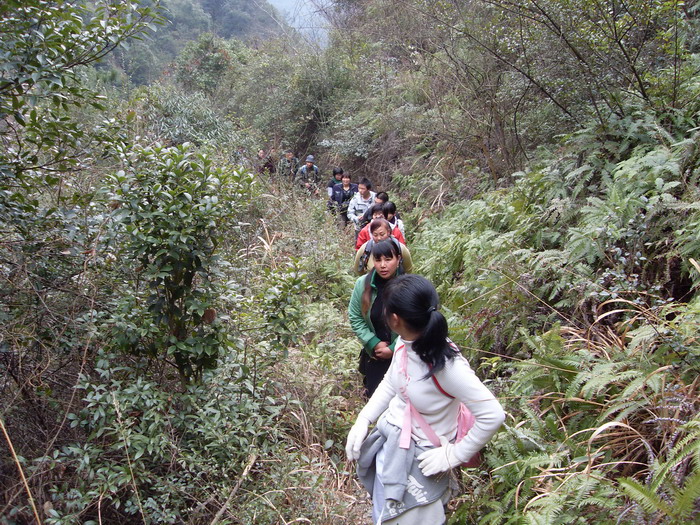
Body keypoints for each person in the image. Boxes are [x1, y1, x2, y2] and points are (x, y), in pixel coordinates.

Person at [345, 274, 506, 525]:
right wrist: (364, 419)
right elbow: (391, 381)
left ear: (395, 319)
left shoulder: (447, 366)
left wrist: (453, 455)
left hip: (422, 464)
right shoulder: (405, 344)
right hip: (392, 449)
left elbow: (493, 415)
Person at [348, 239, 404, 398]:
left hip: (403, 356)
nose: (383, 265)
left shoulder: (407, 285)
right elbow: (355, 316)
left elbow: (415, 322)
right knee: (377, 400)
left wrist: (393, 349)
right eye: (378, 260)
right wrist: (373, 343)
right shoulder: (362, 284)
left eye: (388, 259)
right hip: (375, 356)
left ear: (398, 259)